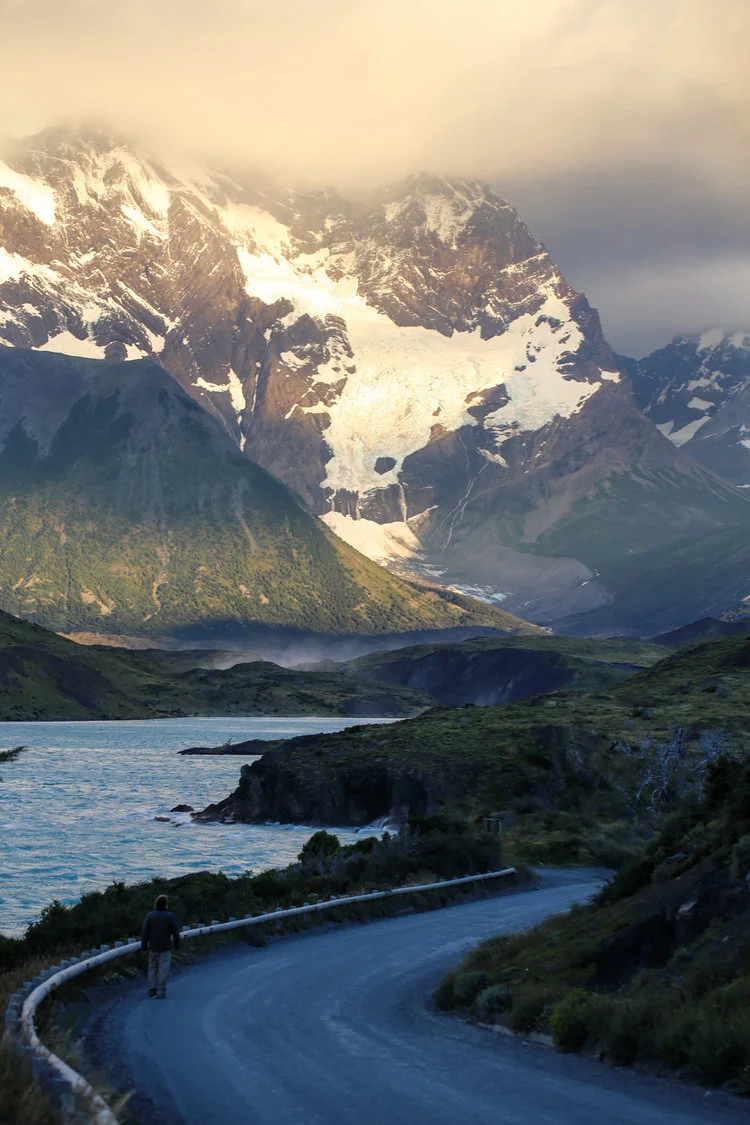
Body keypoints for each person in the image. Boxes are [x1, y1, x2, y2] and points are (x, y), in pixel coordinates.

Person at [141, 894, 180, 998]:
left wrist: (144, 947)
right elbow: (176, 933)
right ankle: (161, 990)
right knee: (164, 968)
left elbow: (145, 932)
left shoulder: (150, 915)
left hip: (153, 946)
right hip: (166, 947)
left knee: (152, 967)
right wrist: (177, 945)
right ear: (166, 905)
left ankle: (152, 988)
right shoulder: (170, 916)